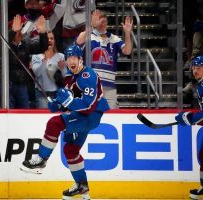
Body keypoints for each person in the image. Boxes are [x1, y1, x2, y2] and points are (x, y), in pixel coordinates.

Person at [20, 45, 109, 199]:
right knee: (70, 150)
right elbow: (68, 102)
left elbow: (88, 105)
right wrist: (57, 103)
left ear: (81, 59)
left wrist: (68, 102)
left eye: (74, 58)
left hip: (91, 116)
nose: (71, 61)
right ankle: (82, 186)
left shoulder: (88, 75)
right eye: (68, 58)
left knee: (54, 124)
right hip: (82, 116)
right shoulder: (70, 77)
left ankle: (41, 159)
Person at [76, 9, 133, 108]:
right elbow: (78, 41)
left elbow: (127, 51)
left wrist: (127, 34)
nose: (102, 24)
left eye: (104, 21)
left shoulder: (114, 39)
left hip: (109, 86)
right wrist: (91, 26)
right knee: (90, 114)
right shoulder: (88, 36)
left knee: (111, 115)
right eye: (99, 21)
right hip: (91, 85)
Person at [175, 55, 203, 200]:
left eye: (199, 68)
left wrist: (190, 118)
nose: (195, 71)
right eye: (194, 67)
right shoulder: (200, 85)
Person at [30, 31, 66, 108]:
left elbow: (65, 76)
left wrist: (63, 68)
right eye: (47, 39)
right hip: (42, 94)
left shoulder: (60, 56)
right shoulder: (36, 56)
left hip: (57, 93)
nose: (49, 40)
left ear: (54, 41)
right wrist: (44, 62)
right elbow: (37, 73)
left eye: (51, 38)